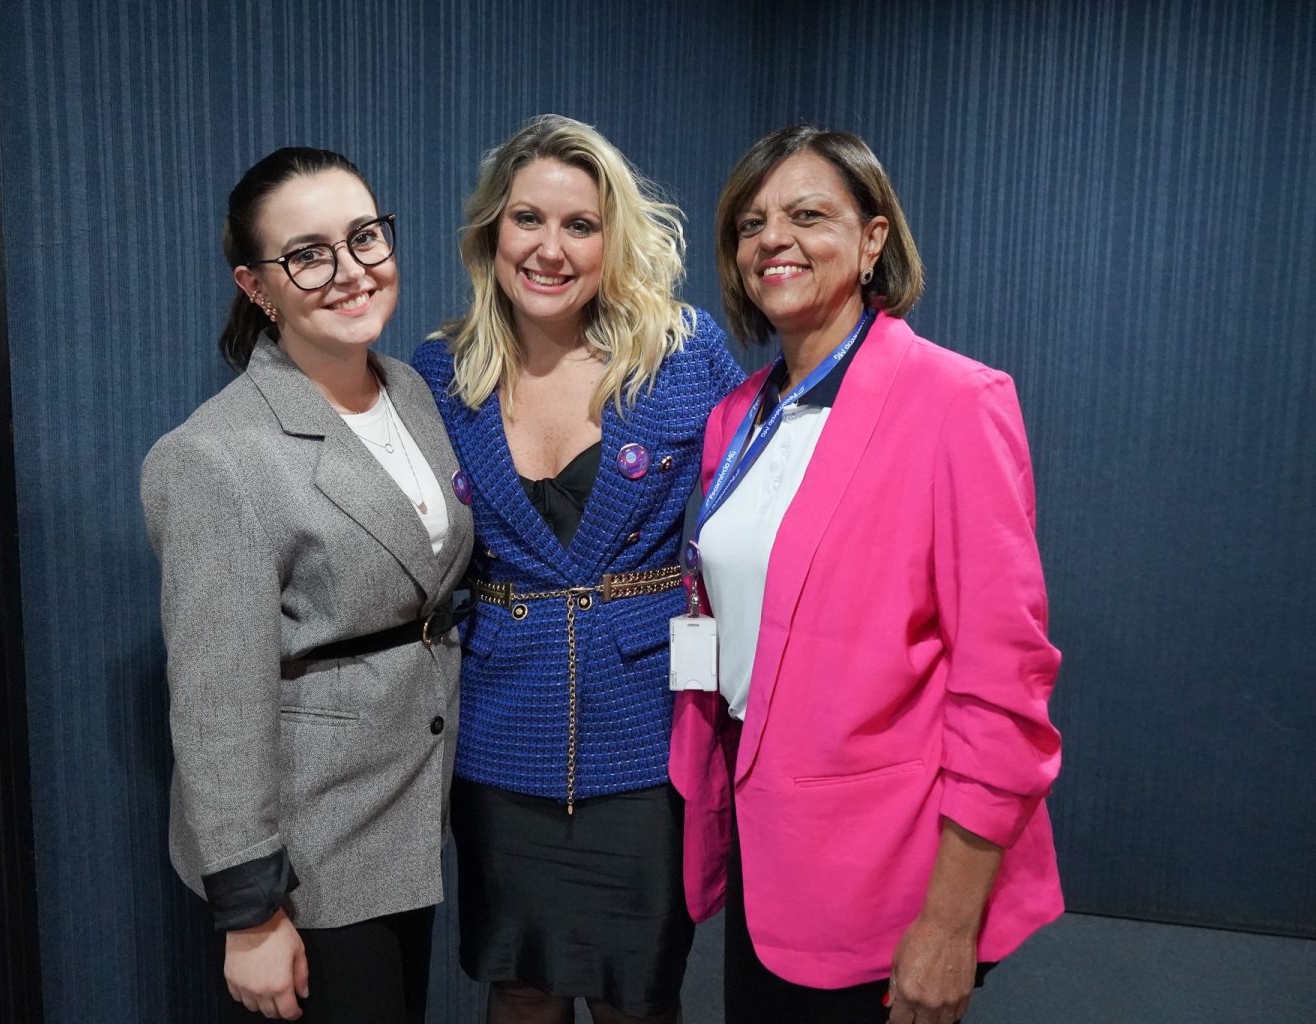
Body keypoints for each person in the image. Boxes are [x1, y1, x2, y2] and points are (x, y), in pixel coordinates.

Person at [668, 124, 1064, 1024]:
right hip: (767, 832)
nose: (774, 239)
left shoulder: (956, 402)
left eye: (808, 215)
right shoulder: (739, 413)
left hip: (885, 862)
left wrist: (950, 922)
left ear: (873, 238)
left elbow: (1004, 687)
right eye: (752, 224)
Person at [412, 114, 746, 1024]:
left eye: (580, 225)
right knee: (519, 985)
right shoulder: (440, 372)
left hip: (645, 738)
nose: (549, 249)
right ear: (492, 231)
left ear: (613, 240)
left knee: (638, 994)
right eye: (528, 219)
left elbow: (761, 505)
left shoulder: (682, 354)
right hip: (499, 731)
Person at [141, 147, 473, 1023]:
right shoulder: (213, 457)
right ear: (257, 287)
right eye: (308, 254)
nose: (351, 271)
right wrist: (250, 912)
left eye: (364, 237)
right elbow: (215, 701)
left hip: (412, 806)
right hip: (311, 843)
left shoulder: (412, 391)